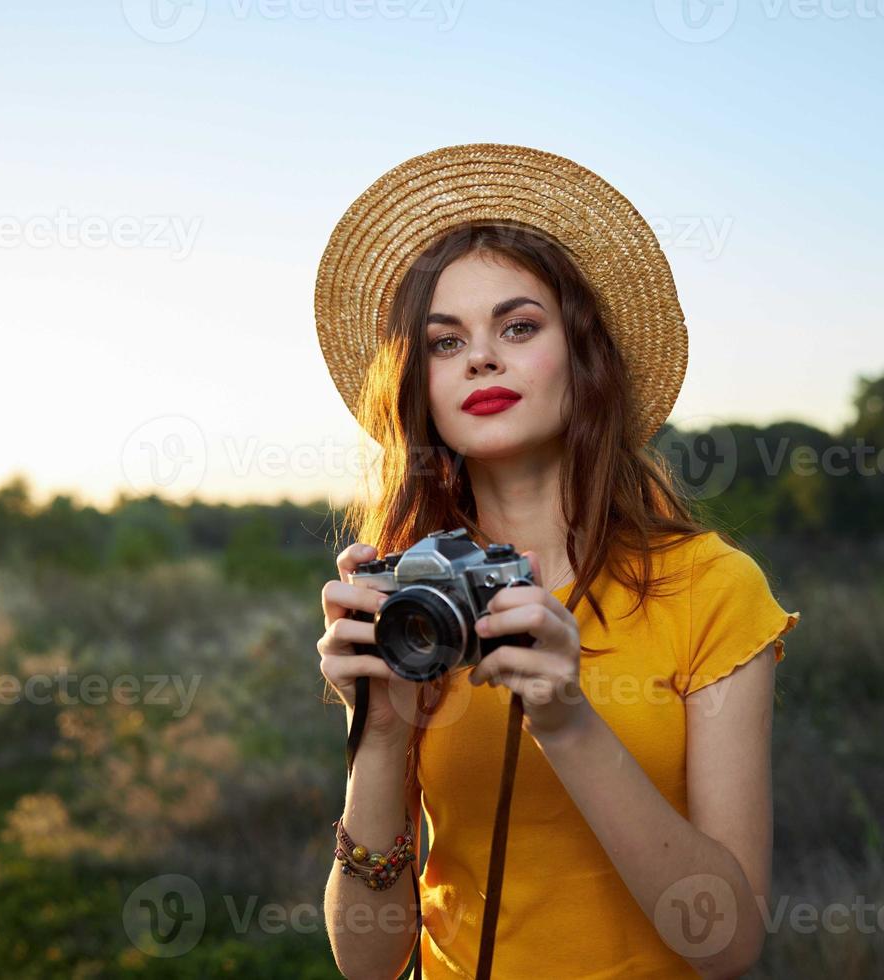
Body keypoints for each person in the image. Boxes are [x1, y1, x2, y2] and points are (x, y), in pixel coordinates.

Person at [313, 144, 801, 979]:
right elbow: (367, 962)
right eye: (443, 341)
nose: (480, 358)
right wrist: (383, 732)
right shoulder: (413, 606)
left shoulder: (711, 588)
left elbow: (725, 944)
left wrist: (570, 719)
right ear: (418, 383)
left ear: (585, 357)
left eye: (519, 326)